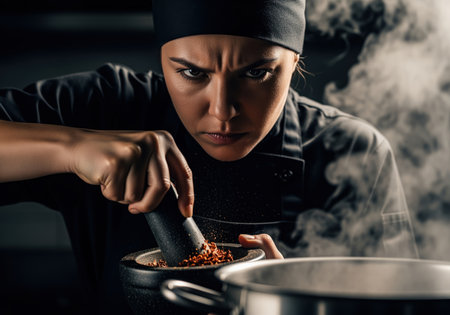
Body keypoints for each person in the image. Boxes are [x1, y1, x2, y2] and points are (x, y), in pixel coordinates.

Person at [0, 0, 418, 313]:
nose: (223, 111)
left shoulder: (353, 154)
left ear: (295, 60)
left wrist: (292, 301)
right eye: (192, 73)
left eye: (256, 73)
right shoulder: (105, 110)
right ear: (163, 60)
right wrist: (71, 147)